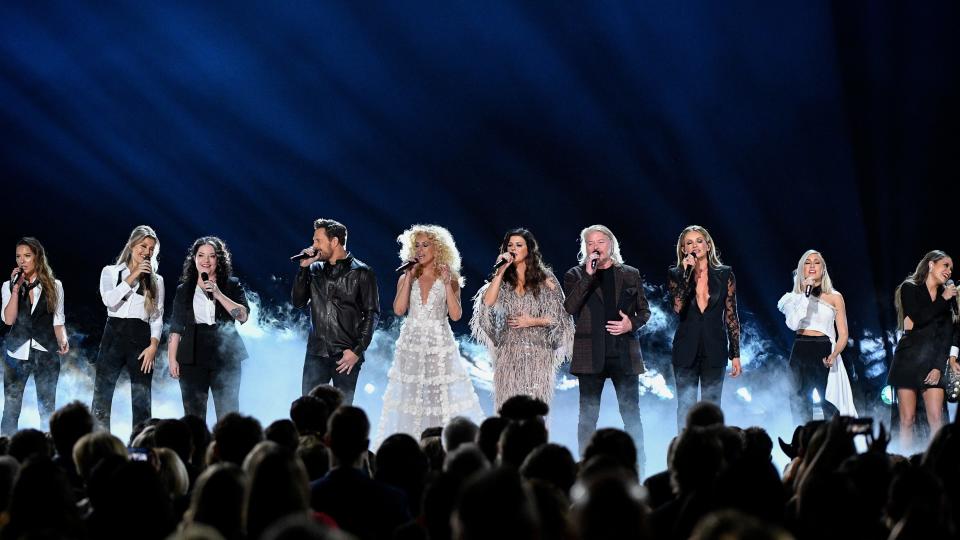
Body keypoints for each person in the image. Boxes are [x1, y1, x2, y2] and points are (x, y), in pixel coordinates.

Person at [376, 225, 483, 442]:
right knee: (409, 395)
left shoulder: (450, 278)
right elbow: (398, 310)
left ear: (439, 248)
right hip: (412, 341)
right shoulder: (408, 277)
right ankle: (410, 445)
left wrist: (445, 284)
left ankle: (436, 445)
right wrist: (407, 278)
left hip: (438, 342)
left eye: (426, 245)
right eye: (417, 245)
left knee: (437, 396)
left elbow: (455, 315)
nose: (420, 250)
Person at [563, 224, 651, 463]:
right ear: (585, 248)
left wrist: (630, 324)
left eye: (600, 242)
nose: (595, 247)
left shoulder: (630, 273)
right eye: (590, 243)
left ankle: (638, 464)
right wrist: (589, 277)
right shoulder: (575, 274)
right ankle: (585, 464)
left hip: (624, 353)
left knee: (631, 414)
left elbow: (645, 311)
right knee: (588, 417)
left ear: (611, 244)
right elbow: (570, 308)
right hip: (590, 354)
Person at [470, 228, 574, 411]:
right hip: (509, 353)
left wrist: (532, 321)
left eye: (519, 245)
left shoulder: (546, 279)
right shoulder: (503, 280)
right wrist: (500, 272)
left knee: (535, 409)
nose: (513, 249)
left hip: (538, 352)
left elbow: (560, 316)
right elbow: (487, 303)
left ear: (529, 250)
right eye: (510, 245)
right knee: (508, 408)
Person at [292, 218, 379, 404]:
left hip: (345, 356)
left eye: (318, 241)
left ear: (334, 241)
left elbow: (372, 314)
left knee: (342, 416)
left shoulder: (362, 272)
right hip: (316, 353)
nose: (313, 245)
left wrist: (356, 351)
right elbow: (298, 302)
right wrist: (303, 269)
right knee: (308, 411)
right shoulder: (314, 268)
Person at [167, 236, 250, 422]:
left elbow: (243, 316)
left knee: (228, 415)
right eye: (201, 255)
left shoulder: (232, 284)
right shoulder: (184, 289)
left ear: (218, 260)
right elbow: (176, 327)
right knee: (193, 416)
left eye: (211, 256)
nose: (206, 260)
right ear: (194, 259)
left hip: (225, 353)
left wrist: (219, 294)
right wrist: (172, 358)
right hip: (192, 354)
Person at [667, 225, 741, 432]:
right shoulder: (675, 274)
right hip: (685, 349)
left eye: (699, 241)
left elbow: (731, 315)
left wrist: (735, 354)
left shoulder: (725, 274)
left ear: (708, 245)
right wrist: (687, 274)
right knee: (685, 408)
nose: (694, 246)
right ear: (683, 250)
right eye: (689, 243)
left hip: (715, 348)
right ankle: (685, 455)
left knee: (712, 408)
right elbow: (678, 307)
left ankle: (713, 456)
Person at [92, 225, 165, 432]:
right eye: (143, 246)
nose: (147, 252)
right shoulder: (111, 271)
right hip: (113, 336)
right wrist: (132, 276)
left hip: (141, 340)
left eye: (151, 248)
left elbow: (157, 318)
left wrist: (153, 346)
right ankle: (99, 444)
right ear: (132, 245)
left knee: (142, 398)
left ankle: (140, 447)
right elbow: (109, 301)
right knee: (101, 396)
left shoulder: (157, 281)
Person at [888, 250, 958, 451]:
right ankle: (904, 461)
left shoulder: (948, 298)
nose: (949, 271)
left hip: (933, 359)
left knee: (936, 417)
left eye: (951, 268)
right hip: (908, 358)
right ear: (930, 264)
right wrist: (943, 299)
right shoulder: (909, 288)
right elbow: (918, 317)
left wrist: (938, 367)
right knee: (907, 419)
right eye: (945, 265)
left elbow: (946, 334)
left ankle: (939, 464)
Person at [777, 250, 857, 424]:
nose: (812, 265)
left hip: (824, 350)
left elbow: (843, 334)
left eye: (816, 262)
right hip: (799, 349)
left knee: (826, 401)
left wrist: (834, 354)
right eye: (807, 262)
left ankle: (830, 441)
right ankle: (804, 443)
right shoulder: (792, 298)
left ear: (823, 268)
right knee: (798, 401)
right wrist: (805, 293)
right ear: (801, 269)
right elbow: (792, 324)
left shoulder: (835, 297)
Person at [1, 237, 69, 435]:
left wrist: (63, 339)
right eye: (18, 256)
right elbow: (8, 320)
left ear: (37, 258)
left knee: (47, 409)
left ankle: (47, 451)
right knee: (11, 409)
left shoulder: (55, 286)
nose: (22, 261)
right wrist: (15, 289)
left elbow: (58, 320)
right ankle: (6, 453)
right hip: (16, 353)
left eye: (27, 256)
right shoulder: (8, 285)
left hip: (45, 351)